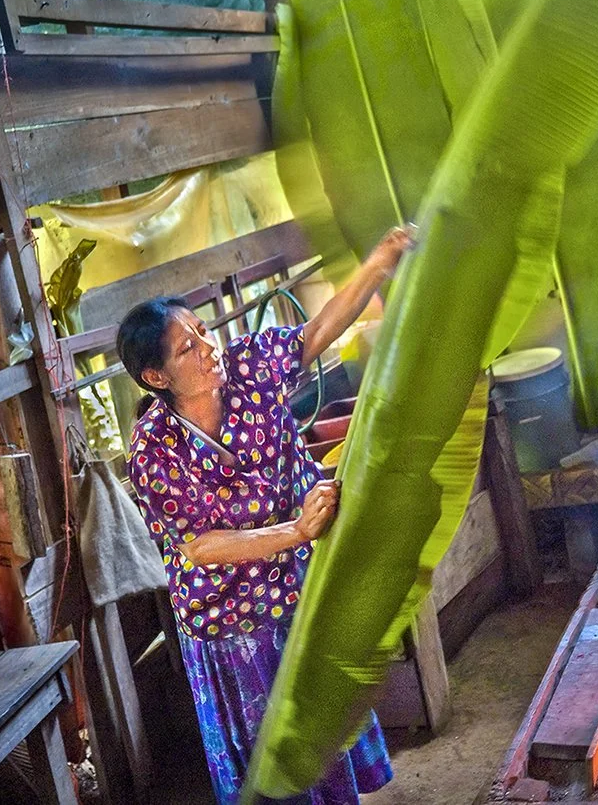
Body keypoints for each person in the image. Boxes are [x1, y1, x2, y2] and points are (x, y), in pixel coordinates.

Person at [117, 227, 415, 805]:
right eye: (188, 348)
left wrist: (379, 260)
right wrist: (297, 530)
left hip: (299, 583)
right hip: (234, 619)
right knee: (277, 760)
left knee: (323, 728)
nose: (209, 348)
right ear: (157, 379)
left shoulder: (249, 367)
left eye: (203, 331)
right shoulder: (154, 449)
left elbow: (316, 332)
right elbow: (200, 546)